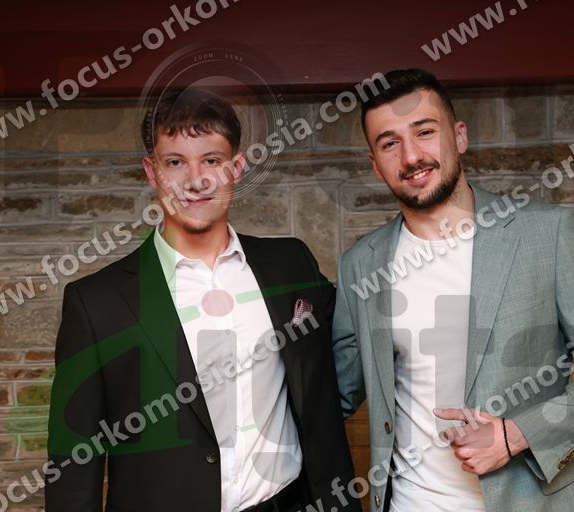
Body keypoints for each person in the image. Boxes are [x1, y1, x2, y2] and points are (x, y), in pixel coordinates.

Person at [331, 69, 574, 512]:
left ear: (459, 136)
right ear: (374, 163)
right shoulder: (359, 266)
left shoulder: (547, 233)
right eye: (389, 143)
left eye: (425, 132)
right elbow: (336, 394)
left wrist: (515, 434)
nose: (411, 156)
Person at [46, 88, 360, 512]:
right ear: (152, 172)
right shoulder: (96, 303)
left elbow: (357, 333)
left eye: (212, 160)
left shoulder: (290, 266)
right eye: (175, 162)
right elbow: (73, 466)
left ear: (236, 168)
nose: (196, 181)